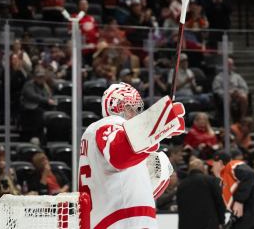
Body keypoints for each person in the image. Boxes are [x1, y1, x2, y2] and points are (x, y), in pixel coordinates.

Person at [78, 82, 185, 229]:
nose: (136, 113)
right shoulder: (110, 123)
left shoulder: (97, 131)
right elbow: (118, 154)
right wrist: (158, 121)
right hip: (120, 219)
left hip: (114, 217)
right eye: (133, 107)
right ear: (122, 107)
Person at [211, 151, 254, 229]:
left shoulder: (232, 166)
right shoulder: (226, 180)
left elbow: (249, 174)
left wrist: (239, 200)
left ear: (220, 163)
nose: (211, 169)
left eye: (213, 165)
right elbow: (237, 209)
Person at [176, 158, 225, 229]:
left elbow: (179, 205)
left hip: (187, 224)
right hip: (209, 224)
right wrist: (221, 221)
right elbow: (220, 202)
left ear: (189, 169)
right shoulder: (212, 181)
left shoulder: (182, 184)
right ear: (203, 169)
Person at [19, 66, 56, 143]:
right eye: (39, 77)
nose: (41, 79)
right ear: (35, 77)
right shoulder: (29, 85)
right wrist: (47, 100)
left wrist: (50, 101)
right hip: (30, 110)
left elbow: (49, 97)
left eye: (42, 77)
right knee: (39, 113)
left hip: (42, 108)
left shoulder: (45, 87)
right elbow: (32, 96)